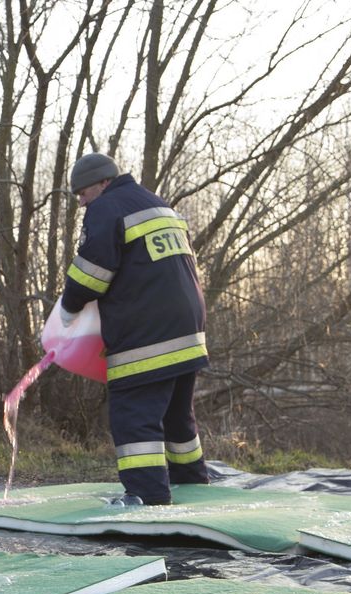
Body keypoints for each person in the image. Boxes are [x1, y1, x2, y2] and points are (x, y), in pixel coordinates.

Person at [59, 153, 210, 506]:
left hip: (147, 335)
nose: (81, 202)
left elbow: (91, 273)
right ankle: (194, 488)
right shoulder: (158, 205)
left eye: (83, 194)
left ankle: (146, 498)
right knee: (177, 420)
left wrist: (68, 309)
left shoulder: (107, 209)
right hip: (188, 330)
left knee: (134, 417)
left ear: (104, 183)